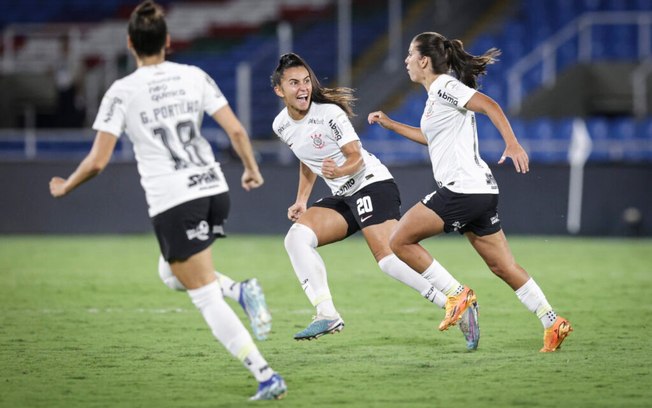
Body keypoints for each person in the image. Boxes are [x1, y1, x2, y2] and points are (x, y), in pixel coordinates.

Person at [48, 1, 287, 400]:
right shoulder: (193, 75)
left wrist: (65, 186)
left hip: (177, 200)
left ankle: (266, 375)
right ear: (168, 42)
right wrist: (251, 169)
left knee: (203, 296)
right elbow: (237, 131)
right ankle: (241, 291)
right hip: (214, 190)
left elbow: (98, 160)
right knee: (169, 272)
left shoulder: (122, 91)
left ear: (129, 44)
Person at [367, 32, 572, 352]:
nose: (406, 60)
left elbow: (488, 104)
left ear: (423, 61)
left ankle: (456, 293)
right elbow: (429, 137)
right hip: (481, 191)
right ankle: (552, 321)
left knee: (399, 240)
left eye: (410, 54)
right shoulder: (436, 96)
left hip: (461, 189)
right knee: (504, 266)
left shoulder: (445, 86)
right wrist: (391, 125)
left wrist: (512, 142)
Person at [270, 52, 479, 350]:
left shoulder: (329, 114)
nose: (303, 88)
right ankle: (327, 313)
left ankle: (456, 298)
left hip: (371, 183)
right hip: (344, 195)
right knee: (296, 239)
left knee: (390, 260)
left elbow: (355, 156)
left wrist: (338, 170)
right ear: (280, 90)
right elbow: (307, 160)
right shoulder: (282, 125)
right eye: (294, 83)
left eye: (306, 81)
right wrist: (302, 199)